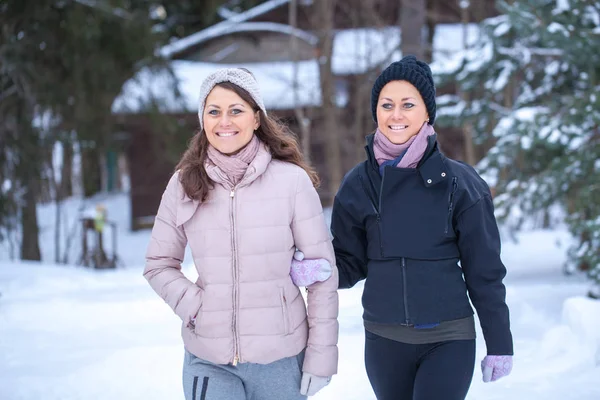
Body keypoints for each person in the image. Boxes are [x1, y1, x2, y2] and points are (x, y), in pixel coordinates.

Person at [143, 67, 339, 400]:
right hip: (209, 358)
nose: (225, 121)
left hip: (281, 358)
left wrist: (321, 356)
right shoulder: (184, 183)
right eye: (214, 111)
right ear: (202, 119)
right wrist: (197, 307)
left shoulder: (291, 182)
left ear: (256, 118)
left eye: (236, 110)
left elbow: (321, 275)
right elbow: (158, 264)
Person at [329, 55, 514, 399]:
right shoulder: (358, 184)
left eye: (407, 104)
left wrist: (500, 342)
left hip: (448, 338)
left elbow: (484, 271)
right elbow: (350, 263)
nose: (395, 114)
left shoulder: (461, 184)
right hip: (384, 339)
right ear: (376, 112)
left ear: (426, 112)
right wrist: (314, 269)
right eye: (387, 105)